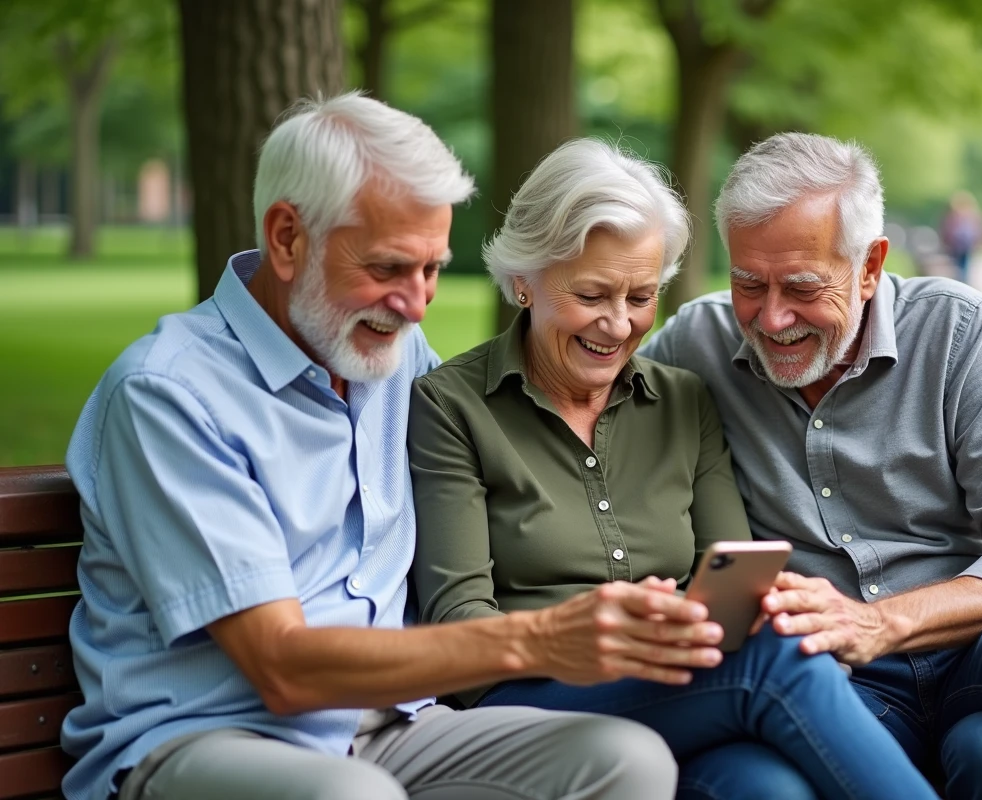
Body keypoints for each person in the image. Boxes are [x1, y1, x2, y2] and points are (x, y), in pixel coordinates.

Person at [59, 93, 722, 800]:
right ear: (287, 237)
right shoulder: (170, 395)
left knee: (625, 757)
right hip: (206, 741)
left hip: (392, 731)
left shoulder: (392, 357)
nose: (417, 303)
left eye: (433, 269)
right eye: (387, 268)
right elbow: (282, 667)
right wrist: (540, 639)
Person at [640, 132, 982, 799]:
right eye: (748, 283)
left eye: (804, 286)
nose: (772, 317)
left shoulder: (956, 331)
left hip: (980, 655)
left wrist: (879, 621)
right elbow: (578, 405)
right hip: (841, 691)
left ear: (871, 265)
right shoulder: (693, 347)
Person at [409, 138, 940, 800]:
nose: (617, 323)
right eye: (592, 293)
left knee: (768, 790)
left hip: (679, 688)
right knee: (774, 658)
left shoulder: (684, 399)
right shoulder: (450, 407)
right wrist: (581, 634)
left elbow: (737, 580)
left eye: (640, 295)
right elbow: (459, 629)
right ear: (524, 279)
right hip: (519, 701)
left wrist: (692, 619)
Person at [939, 190, 982, 284]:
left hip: (967, 245)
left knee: (964, 265)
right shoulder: (951, 217)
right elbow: (945, 230)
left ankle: (963, 281)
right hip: (955, 246)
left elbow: (981, 231)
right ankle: (961, 280)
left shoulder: (974, 216)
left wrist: (980, 243)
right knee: (958, 265)